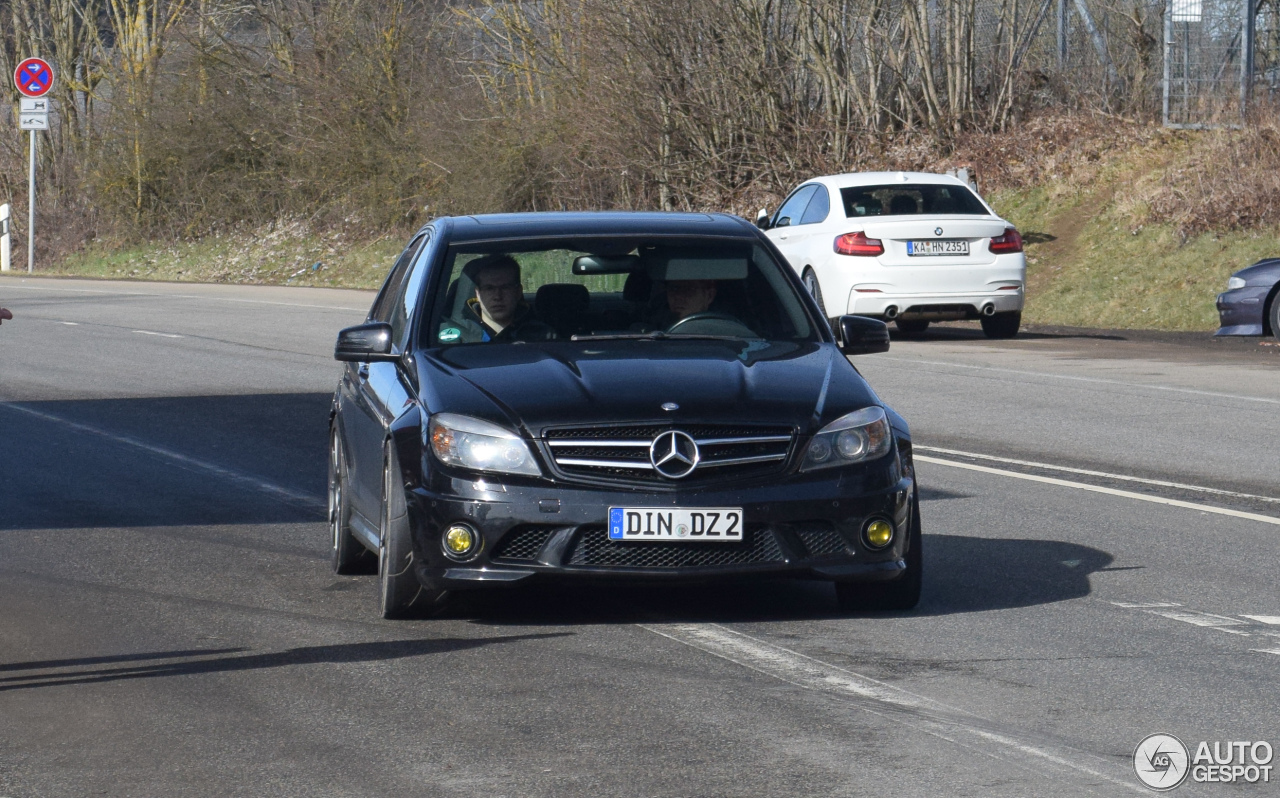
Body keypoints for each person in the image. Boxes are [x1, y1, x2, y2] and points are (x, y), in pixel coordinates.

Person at [437, 254, 553, 344]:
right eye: (489, 288)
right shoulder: (451, 336)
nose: (497, 296)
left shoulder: (543, 335)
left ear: (518, 292)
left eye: (505, 287)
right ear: (478, 293)